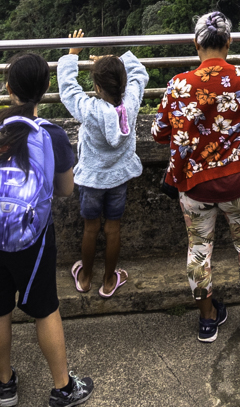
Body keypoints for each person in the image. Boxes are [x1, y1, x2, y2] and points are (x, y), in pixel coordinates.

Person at [0, 53, 88, 407]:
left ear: (9, 88)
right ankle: (63, 387)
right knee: (45, 308)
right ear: (46, 89)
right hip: (31, 239)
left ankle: (5, 385)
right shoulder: (51, 134)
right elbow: (66, 190)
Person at [153, 11, 240, 344]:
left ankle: (207, 320)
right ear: (229, 41)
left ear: (196, 43)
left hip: (195, 186)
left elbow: (160, 133)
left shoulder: (179, 85)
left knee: (199, 249)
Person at [57, 30, 150, 298]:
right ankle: (109, 281)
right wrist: (117, 59)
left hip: (92, 180)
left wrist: (72, 55)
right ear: (123, 83)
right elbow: (140, 74)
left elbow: (68, 90)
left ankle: (85, 278)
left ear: (97, 88)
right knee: (113, 228)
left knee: (91, 227)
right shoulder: (131, 100)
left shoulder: (90, 110)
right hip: (118, 178)